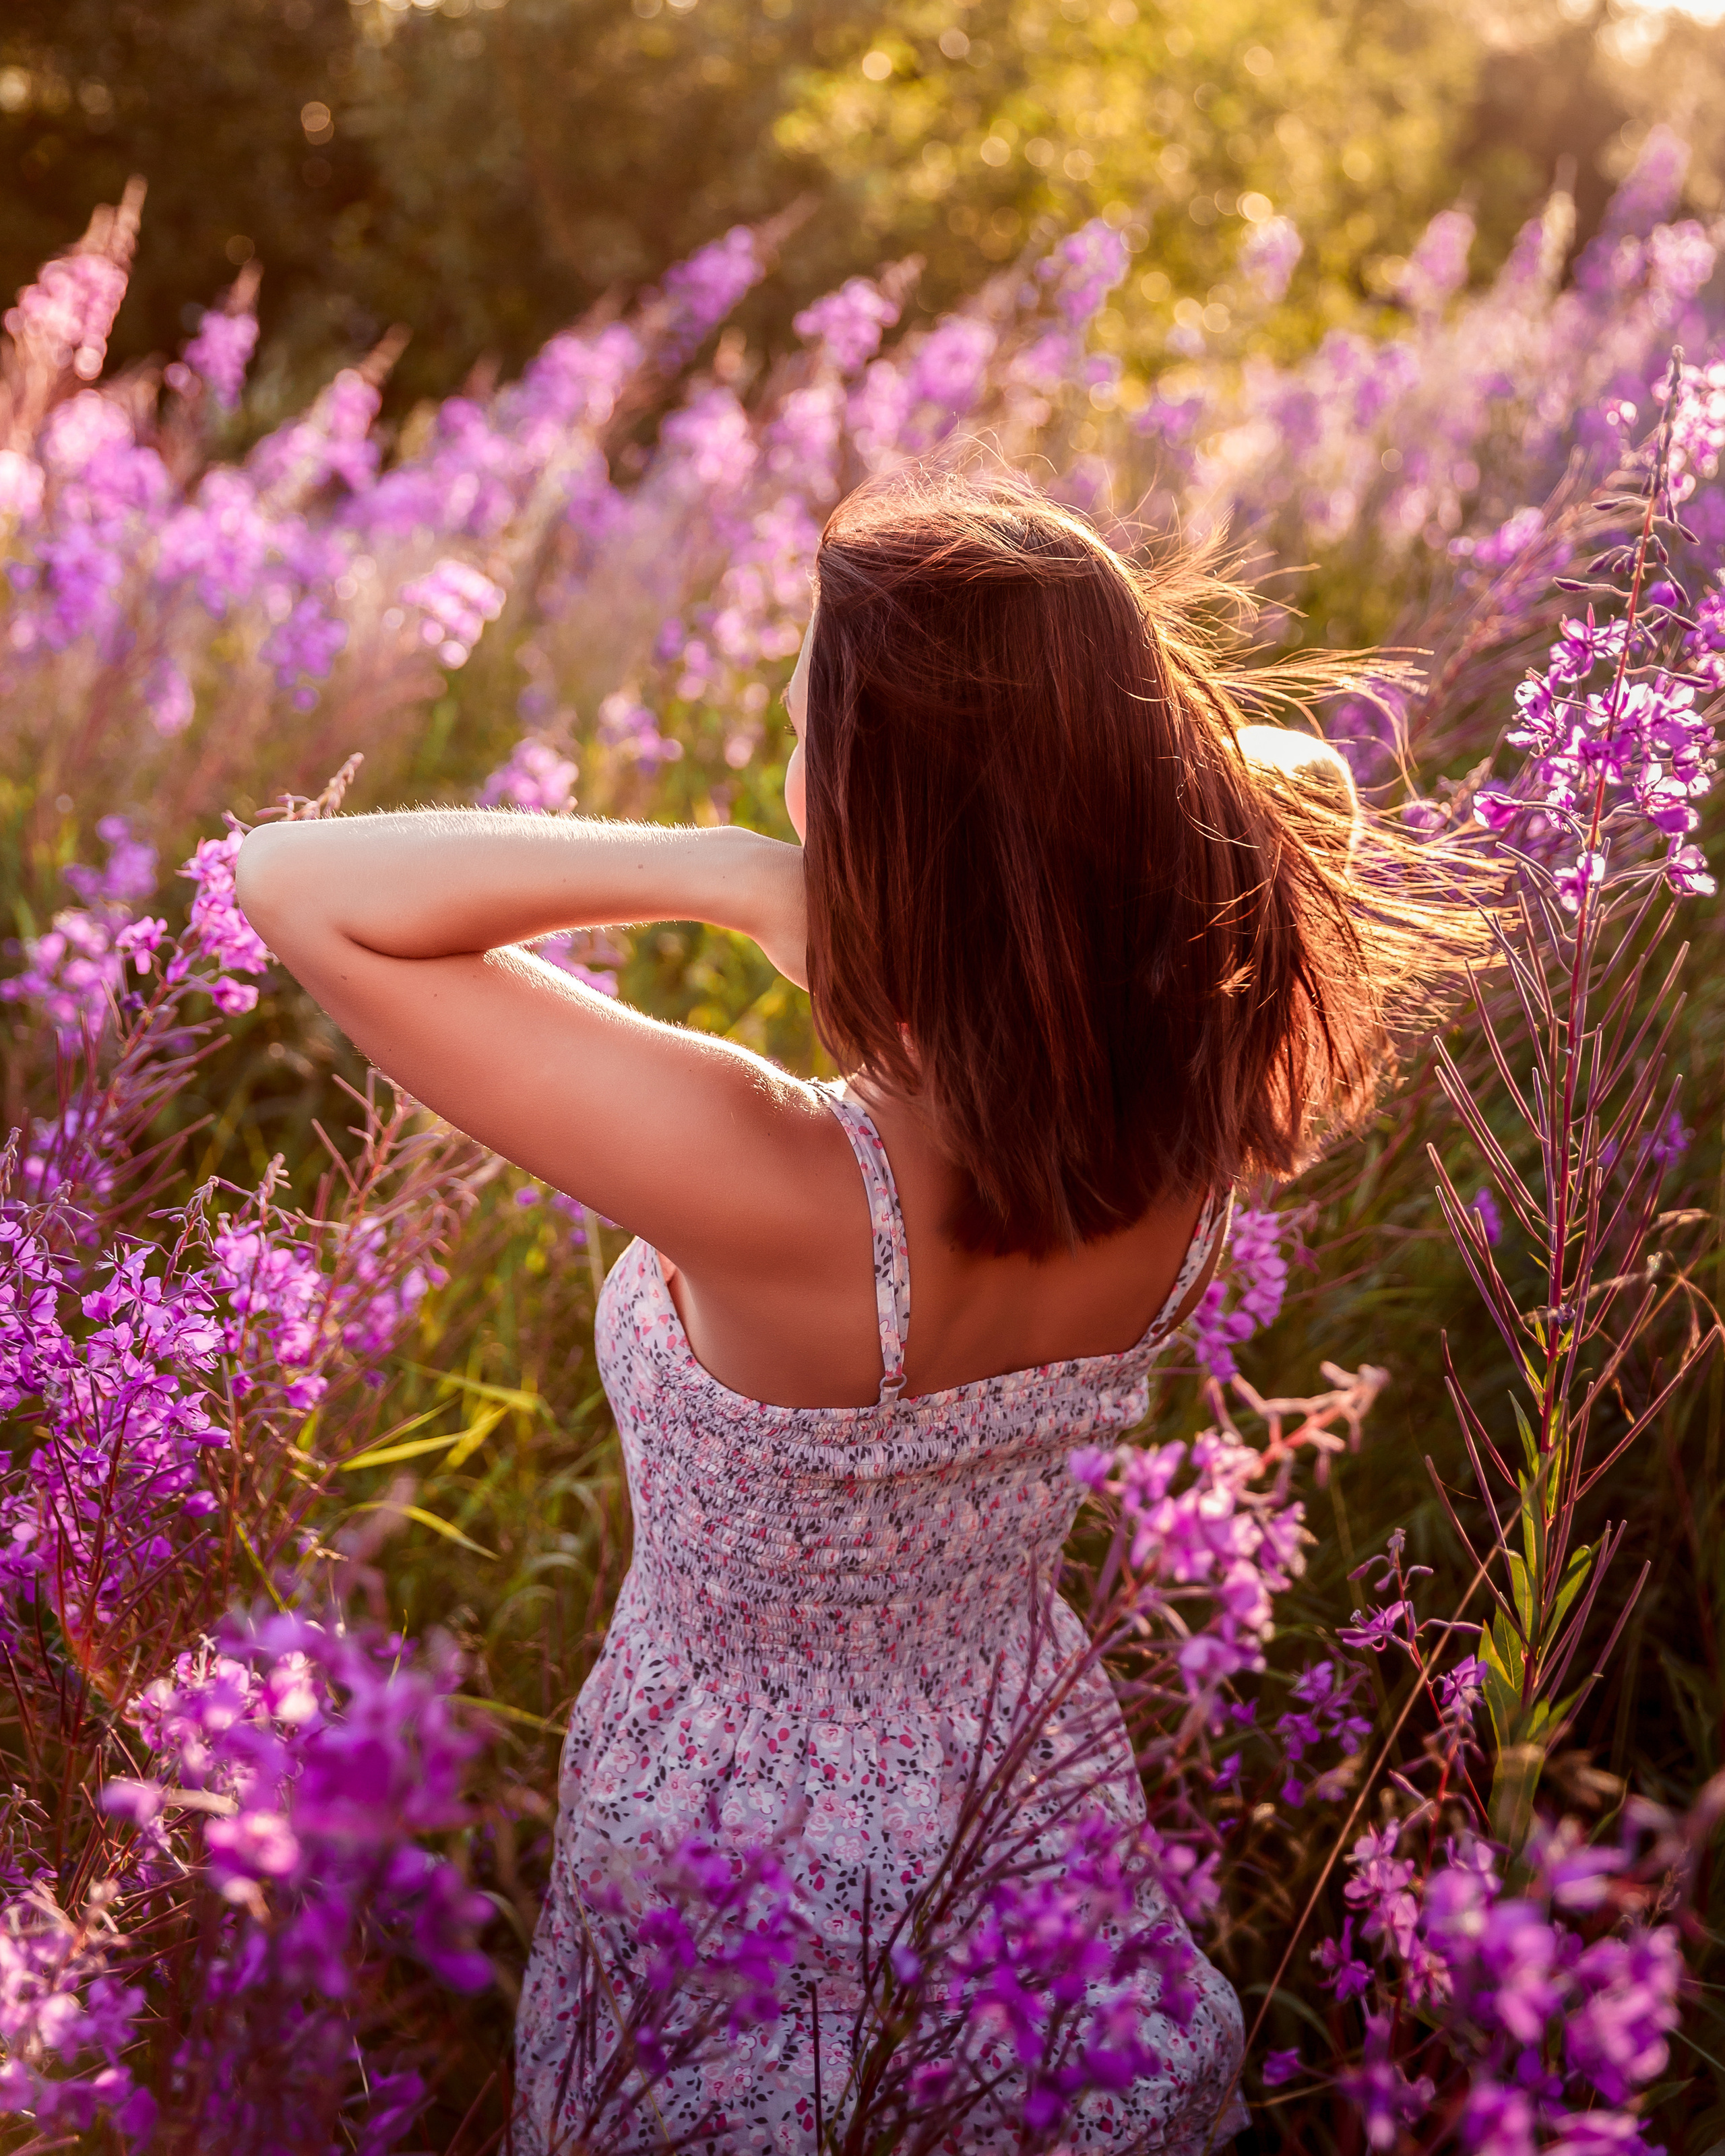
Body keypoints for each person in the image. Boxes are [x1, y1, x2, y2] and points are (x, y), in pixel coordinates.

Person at [235, 468, 1439, 2153]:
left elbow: (294, 878)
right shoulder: (1189, 1096)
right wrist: (1075, 789)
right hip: (1023, 1817)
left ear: (869, 808)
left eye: (802, 734)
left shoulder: (790, 1189)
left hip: (730, 1853)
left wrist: (732, 874)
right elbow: (1277, 787)